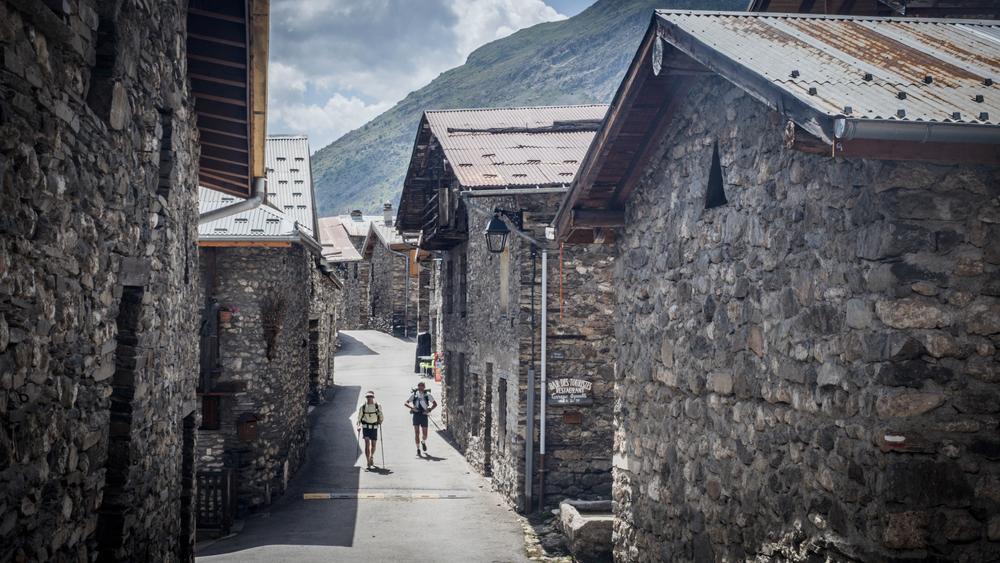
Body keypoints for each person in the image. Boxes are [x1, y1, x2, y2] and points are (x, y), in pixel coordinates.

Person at [404, 381, 437, 456]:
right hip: (416, 415)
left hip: (424, 415)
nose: (421, 387)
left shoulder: (428, 395)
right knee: (416, 433)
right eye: (419, 386)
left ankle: (423, 442)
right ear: (418, 387)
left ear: (424, 387)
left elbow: (435, 404)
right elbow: (406, 403)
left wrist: (429, 410)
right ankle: (418, 449)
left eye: (422, 386)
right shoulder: (414, 395)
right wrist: (412, 408)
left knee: (425, 434)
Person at [356, 390, 383, 469]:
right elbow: (359, 418)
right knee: (367, 444)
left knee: (373, 445)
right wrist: (358, 426)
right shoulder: (363, 406)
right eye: (367, 397)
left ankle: (371, 457)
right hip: (366, 427)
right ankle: (368, 461)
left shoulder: (377, 405)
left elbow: (381, 416)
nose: (369, 398)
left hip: (374, 427)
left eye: (370, 396)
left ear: (373, 397)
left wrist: (380, 421)